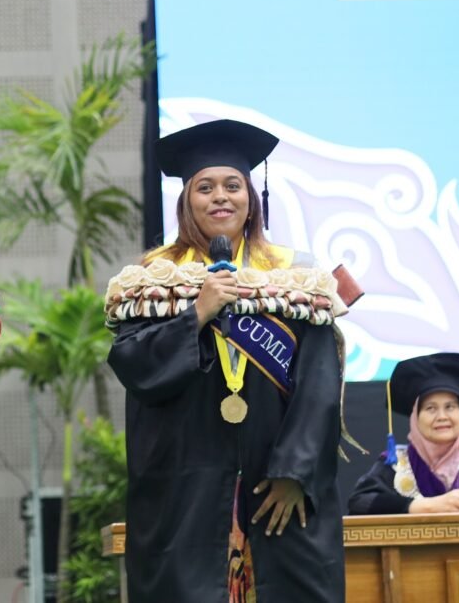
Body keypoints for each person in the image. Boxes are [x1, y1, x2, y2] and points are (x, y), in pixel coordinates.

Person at [105, 119, 347, 602]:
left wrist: (295, 473)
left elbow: (320, 380)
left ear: (250, 197)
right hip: (185, 488)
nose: (221, 197)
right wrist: (197, 312)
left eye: (233, 186)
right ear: (186, 201)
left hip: (274, 486)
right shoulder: (154, 278)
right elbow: (133, 366)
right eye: (206, 187)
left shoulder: (294, 274)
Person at [347, 352, 459, 515]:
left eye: (450, 407)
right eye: (431, 408)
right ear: (415, 417)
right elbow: (359, 501)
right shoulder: (397, 462)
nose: (442, 417)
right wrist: (421, 506)